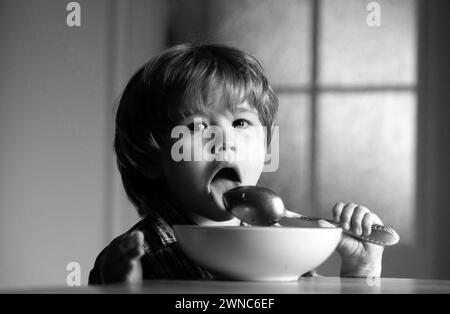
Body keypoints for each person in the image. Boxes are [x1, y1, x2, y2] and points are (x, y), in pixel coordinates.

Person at [88, 43, 384, 284]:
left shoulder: (282, 245)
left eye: (241, 122)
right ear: (150, 157)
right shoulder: (139, 257)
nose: (225, 141)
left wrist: (360, 272)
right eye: (197, 127)